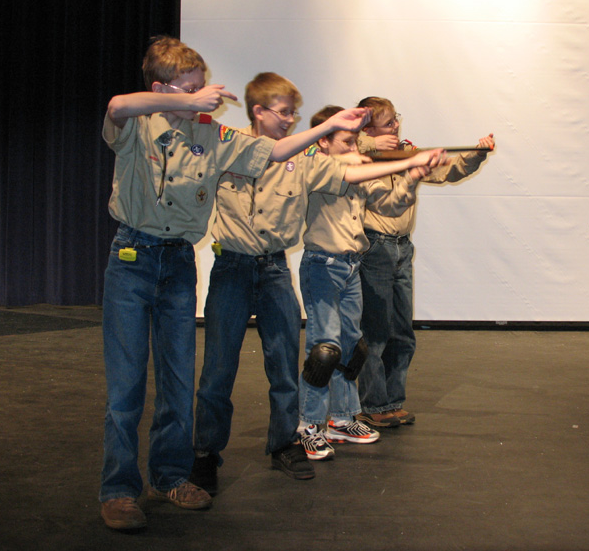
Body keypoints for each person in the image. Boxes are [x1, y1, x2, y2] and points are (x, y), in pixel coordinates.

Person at [99, 37, 370, 531]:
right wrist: (183, 101)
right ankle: (118, 490)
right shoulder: (139, 122)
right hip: (133, 258)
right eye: (189, 88)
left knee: (179, 381)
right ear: (161, 87)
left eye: (201, 87)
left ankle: (170, 476)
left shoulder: (211, 133)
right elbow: (117, 105)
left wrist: (330, 126)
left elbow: (275, 150)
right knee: (127, 384)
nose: (202, 95)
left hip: (178, 262)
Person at [191, 75, 449, 486]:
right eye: (283, 112)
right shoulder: (229, 143)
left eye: (294, 113)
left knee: (286, 367)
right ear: (258, 111)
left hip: (275, 269)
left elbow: (352, 172)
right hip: (234, 267)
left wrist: (411, 166)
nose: (290, 120)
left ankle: (288, 442)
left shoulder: (305, 159)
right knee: (219, 369)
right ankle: (206, 454)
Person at [297, 105, 446, 460]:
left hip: (351, 265)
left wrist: (413, 176)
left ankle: (343, 418)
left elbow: (390, 205)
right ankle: (309, 425)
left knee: (352, 346)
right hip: (322, 266)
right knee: (323, 349)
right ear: (323, 142)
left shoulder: (359, 172)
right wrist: (407, 161)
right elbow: (346, 172)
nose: (355, 149)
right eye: (347, 142)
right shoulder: (316, 166)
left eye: (356, 143)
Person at [354, 96, 494, 428]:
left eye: (396, 119)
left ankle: (392, 401)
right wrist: (369, 144)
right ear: (368, 129)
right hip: (375, 248)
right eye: (388, 123)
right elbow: (332, 144)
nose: (396, 126)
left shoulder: (406, 152)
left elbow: (448, 171)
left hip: (402, 248)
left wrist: (476, 153)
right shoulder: (357, 155)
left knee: (401, 332)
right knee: (375, 332)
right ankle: (373, 404)